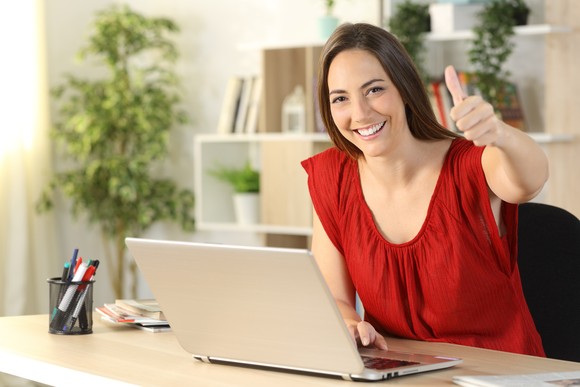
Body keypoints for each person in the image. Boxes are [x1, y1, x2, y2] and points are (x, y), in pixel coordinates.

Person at [301, 22, 548, 357]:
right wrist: (348, 324)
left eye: (374, 90)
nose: (359, 113)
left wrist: (499, 134)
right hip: (400, 374)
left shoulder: (469, 164)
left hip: (500, 375)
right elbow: (337, 299)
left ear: (403, 88)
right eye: (341, 98)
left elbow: (529, 181)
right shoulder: (333, 176)